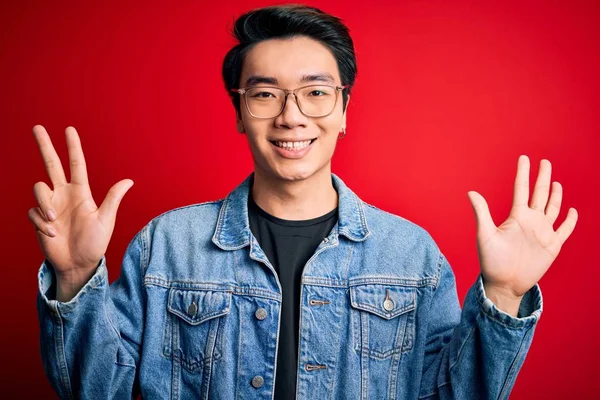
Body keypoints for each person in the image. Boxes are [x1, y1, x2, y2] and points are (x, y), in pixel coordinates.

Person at [31, 4, 578, 399]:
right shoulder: (166, 246)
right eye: (265, 94)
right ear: (239, 111)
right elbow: (97, 391)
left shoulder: (410, 254)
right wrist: (76, 280)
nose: (292, 116)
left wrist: (504, 296)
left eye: (317, 92)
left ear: (344, 110)